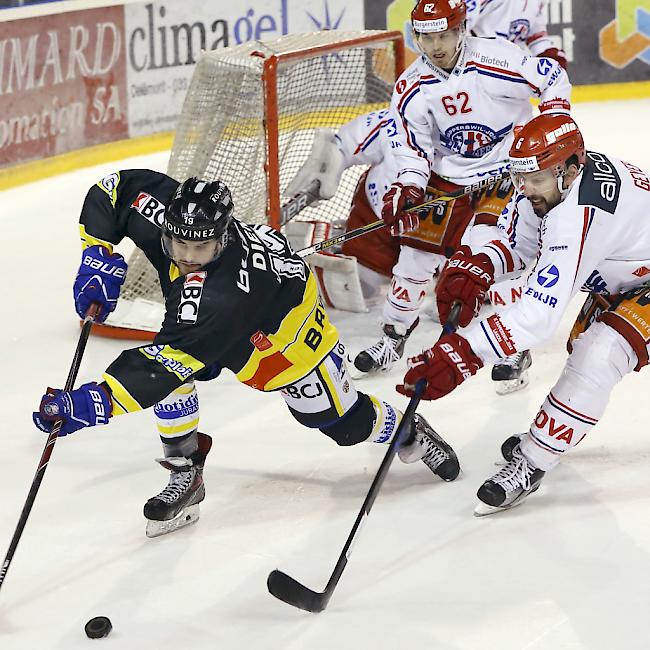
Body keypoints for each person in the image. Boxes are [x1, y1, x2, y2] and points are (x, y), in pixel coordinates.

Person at [32, 171, 460, 537]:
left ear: (222, 239)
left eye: (200, 249)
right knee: (176, 368)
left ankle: (408, 431)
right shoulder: (180, 224)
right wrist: (98, 254)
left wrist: (90, 404)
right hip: (211, 323)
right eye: (178, 244)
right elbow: (114, 191)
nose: (186, 258)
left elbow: (158, 367)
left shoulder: (220, 297)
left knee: (341, 424)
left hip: (281, 336)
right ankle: (186, 470)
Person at [288, 0, 571, 396]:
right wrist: (407, 187)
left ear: (461, 30)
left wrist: (554, 123)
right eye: (427, 37)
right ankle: (393, 338)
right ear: (416, 36)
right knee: (413, 262)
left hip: (505, 174)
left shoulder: (498, 57)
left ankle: (513, 348)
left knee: (492, 256)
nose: (436, 46)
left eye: (444, 35)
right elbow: (411, 147)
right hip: (449, 179)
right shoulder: (411, 86)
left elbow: (553, 76)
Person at [398, 112, 650, 515]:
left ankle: (533, 462)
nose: (525, 189)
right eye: (520, 177)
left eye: (536, 179)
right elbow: (520, 246)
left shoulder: (579, 214)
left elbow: (539, 316)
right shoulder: (549, 185)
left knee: (599, 356)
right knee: (588, 354)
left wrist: (464, 353)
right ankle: (547, 439)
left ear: (571, 168)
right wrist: (479, 264)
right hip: (624, 278)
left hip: (640, 281)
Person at [466, 0, 567, 70]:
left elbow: (536, 36)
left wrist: (550, 57)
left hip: (510, 69)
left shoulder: (536, 2)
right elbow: (458, 26)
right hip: (479, 69)